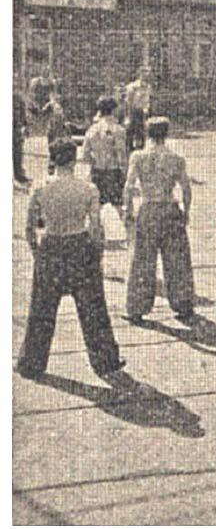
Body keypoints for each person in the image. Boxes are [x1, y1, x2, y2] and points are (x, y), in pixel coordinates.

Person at [16, 138, 128, 386]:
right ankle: (106, 360)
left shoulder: (40, 188)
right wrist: (97, 257)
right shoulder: (88, 189)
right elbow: (97, 230)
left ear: (52, 159)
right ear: (74, 159)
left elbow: (29, 229)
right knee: (93, 309)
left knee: (42, 310)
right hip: (80, 246)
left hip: (51, 246)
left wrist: (38, 254)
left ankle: (32, 362)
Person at [124, 117, 196, 323]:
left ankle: (137, 307)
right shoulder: (176, 158)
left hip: (148, 207)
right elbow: (186, 188)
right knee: (177, 260)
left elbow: (128, 186)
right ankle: (183, 304)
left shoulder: (138, 157)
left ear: (147, 134)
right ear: (167, 133)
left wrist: (128, 209)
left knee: (142, 260)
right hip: (169, 207)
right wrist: (187, 210)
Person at [82, 95, 128, 222]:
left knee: (97, 206)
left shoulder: (92, 130)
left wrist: (94, 162)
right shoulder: (118, 130)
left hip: (97, 171)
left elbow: (85, 155)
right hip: (113, 172)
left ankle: (97, 234)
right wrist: (125, 172)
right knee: (117, 206)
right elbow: (121, 154)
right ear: (113, 110)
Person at [42, 93, 71, 175]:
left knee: (57, 150)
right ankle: (52, 168)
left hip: (59, 131)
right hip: (54, 131)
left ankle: (54, 168)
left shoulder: (59, 107)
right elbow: (43, 112)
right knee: (53, 150)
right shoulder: (52, 105)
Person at [125, 65, 152, 153]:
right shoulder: (132, 87)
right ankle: (129, 150)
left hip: (143, 112)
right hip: (133, 111)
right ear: (140, 74)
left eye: (148, 74)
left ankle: (141, 150)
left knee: (142, 133)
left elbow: (147, 100)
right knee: (131, 132)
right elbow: (128, 101)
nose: (147, 76)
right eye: (144, 74)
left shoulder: (148, 87)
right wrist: (128, 115)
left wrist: (147, 109)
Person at [13, 81, 31, 186]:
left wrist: (26, 125)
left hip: (15, 129)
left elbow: (23, 113)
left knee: (17, 152)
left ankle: (19, 175)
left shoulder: (18, 97)